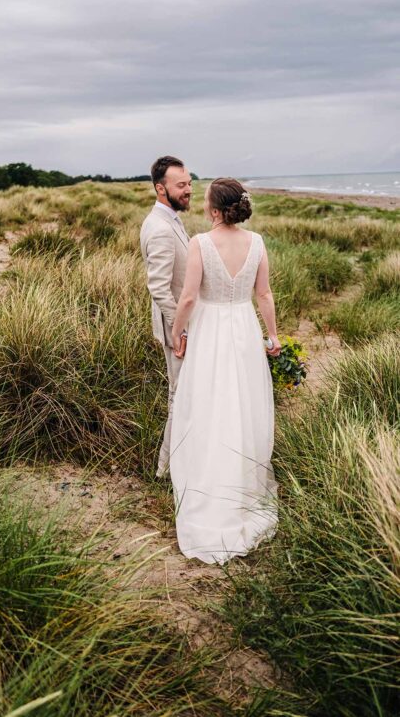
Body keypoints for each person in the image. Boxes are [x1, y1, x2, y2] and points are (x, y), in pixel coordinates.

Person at [169, 177, 281, 565]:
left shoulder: (200, 243)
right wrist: (273, 336)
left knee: (208, 401)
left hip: (211, 329)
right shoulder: (258, 242)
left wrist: (177, 331)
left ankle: (209, 483)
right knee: (243, 402)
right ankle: (241, 486)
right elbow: (263, 294)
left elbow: (187, 296)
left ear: (215, 209)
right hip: (244, 329)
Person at [140, 156, 192, 477]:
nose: (188, 190)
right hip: (175, 332)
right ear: (161, 188)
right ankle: (165, 470)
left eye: (189, 183)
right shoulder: (159, 228)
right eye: (181, 185)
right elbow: (159, 288)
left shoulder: (170, 218)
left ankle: (176, 464)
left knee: (183, 395)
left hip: (179, 329)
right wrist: (180, 330)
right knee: (178, 397)